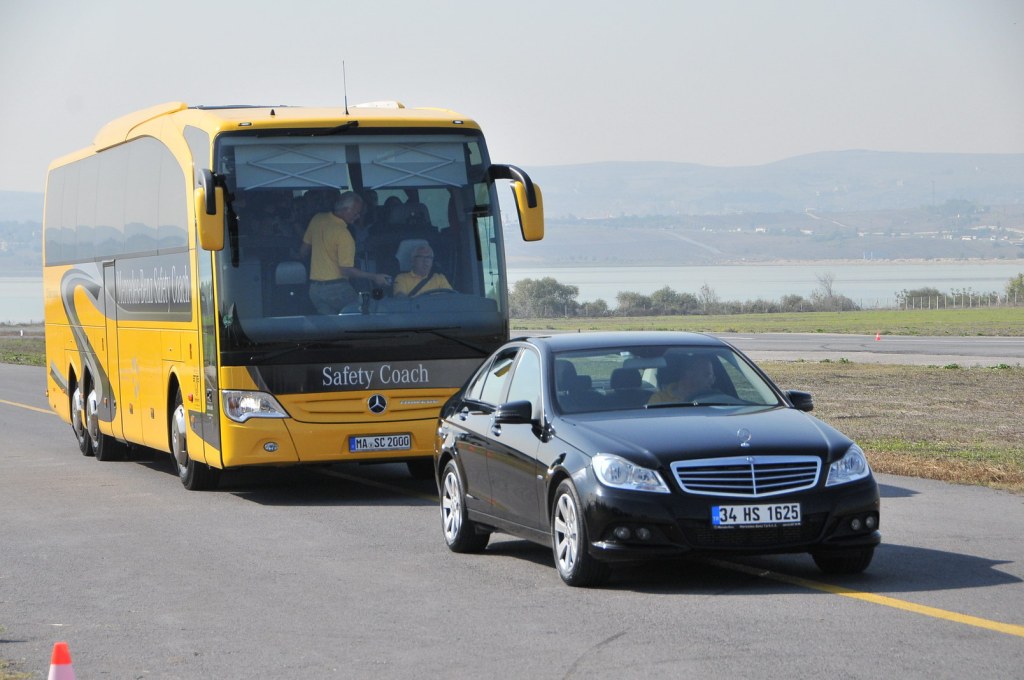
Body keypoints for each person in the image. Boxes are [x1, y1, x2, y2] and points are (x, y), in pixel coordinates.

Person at [300, 192, 391, 314]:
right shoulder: (344, 235)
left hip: (315, 291)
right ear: (345, 209)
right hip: (337, 290)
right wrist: (375, 277)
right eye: (356, 212)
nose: (358, 216)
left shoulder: (317, 219)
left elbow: (303, 251)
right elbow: (346, 270)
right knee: (367, 313)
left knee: (330, 329)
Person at [647, 354, 716, 405]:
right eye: (707, 375)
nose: (712, 381)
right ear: (690, 374)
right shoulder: (659, 399)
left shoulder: (716, 399)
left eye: (712, 377)